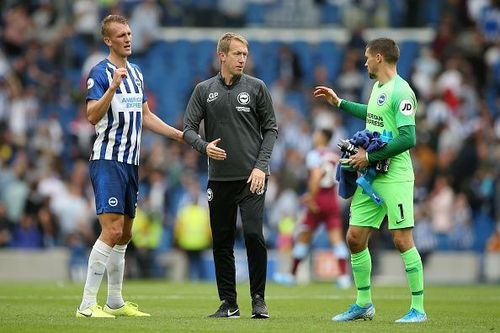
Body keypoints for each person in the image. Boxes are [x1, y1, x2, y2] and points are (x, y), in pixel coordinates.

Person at [76, 14, 183, 318]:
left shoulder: (136, 73)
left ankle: (115, 302)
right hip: (108, 160)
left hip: (131, 163)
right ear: (108, 40)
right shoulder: (99, 73)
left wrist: (178, 135)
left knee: (124, 234)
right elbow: (92, 116)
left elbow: (146, 116)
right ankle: (86, 305)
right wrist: (111, 88)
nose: (128, 38)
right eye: (121, 34)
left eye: (129, 33)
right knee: (110, 231)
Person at [314, 38, 427, 323]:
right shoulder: (378, 88)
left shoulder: (403, 92)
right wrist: (338, 102)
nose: (364, 62)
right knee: (354, 238)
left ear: (379, 57)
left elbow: (408, 138)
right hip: (372, 174)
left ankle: (418, 309)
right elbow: (373, 114)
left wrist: (369, 158)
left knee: (402, 240)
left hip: (396, 176)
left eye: (366, 58)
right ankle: (363, 304)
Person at [183, 32, 278, 319]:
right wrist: (203, 146)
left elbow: (271, 129)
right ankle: (229, 303)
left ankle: (258, 299)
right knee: (222, 240)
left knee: (252, 235)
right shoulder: (204, 90)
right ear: (221, 56)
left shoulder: (257, 87)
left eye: (245, 55)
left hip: (252, 178)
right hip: (219, 179)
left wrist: (261, 166)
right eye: (237, 54)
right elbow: (188, 128)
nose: (242, 59)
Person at [274, 128, 351, 288]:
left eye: (316, 134)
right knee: (336, 240)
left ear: (322, 137)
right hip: (331, 200)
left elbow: (316, 176)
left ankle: (291, 276)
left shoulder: (314, 155)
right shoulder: (334, 155)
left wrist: (310, 196)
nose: (314, 136)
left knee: (303, 238)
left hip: (317, 200)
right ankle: (344, 278)